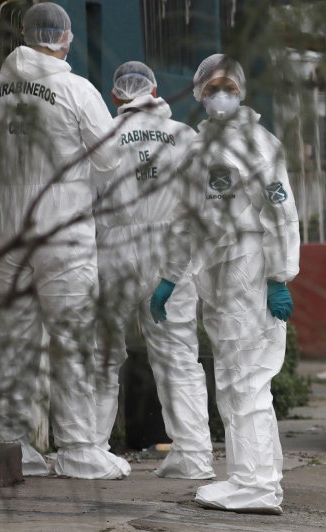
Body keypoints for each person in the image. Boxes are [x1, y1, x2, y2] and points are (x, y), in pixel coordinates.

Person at [0, 2, 129, 479]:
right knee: (71, 335)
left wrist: (14, 181)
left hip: (9, 218)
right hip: (63, 219)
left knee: (13, 337)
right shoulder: (76, 89)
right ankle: (78, 448)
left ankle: (15, 448)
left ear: (23, 33)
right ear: (66, 39)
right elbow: (111, 156)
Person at [150, 54, 300, 513]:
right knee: (237, 379)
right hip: (217, 274)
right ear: (198, 92)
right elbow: (184, 221)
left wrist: (279, 276)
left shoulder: (258, 143)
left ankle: (255, 486)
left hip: (250, 268)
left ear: (240, 90)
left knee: (246, 379)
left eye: (227, 86)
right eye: (212, 86)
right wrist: (170, 277)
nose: (220, 94)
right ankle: (256, 473)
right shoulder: (197, 149)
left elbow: (281, 213)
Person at [92, 61, 213, 479]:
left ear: (115, 97)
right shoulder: (186, 136)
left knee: (103, 352)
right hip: (171, 250)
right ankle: (194, 453)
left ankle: (91, 448)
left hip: (114, 248)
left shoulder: (104, 135)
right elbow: (202, 204)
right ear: (157, 90)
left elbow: (84, 197)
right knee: (178, 354)